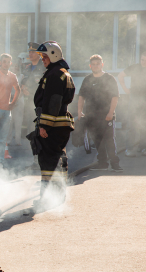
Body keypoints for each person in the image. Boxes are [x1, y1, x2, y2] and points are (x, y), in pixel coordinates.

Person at [31, 41, 75, 208]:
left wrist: (45, 126)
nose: (42, 59)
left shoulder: (55, 75)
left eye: (44, 56)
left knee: (48, 160)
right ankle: (58, 196)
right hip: (61, 123)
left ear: (53, 55)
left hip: (54, 125)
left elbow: (53, 102)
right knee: (58, 158)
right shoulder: (61, 72)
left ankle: (47, 199)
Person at [78, 55, 121, 172]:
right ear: (90, 66)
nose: (96, 66)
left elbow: (115, 97)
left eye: (98, 64)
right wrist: (79, 111)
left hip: (106, 115)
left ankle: (115, 164)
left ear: (102, 65)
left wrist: (111, 113)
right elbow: (81, 96)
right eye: (93, 64)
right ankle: (102, 163)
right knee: (97, 140)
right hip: (91, 116)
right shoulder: (87, 79)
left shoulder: (109, 78)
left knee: (109, 140)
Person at [22, 42, 46, 168]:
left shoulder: (44, 67)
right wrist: (23, 88)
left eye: (32, 52)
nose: (30, 54)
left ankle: (47, 158)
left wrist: (30, 91)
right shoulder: (27, 68)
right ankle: (36, 159)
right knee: (32, 132)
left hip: (41, 104)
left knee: (43, 131)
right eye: (29, 52)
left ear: (39, 53)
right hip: (29, 105)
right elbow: (23, 82)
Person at [118, 51, 146, 157]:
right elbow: (120, 75)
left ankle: (143, 148)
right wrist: (125, 89)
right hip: (134, 99)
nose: (144, 62)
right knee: (131, 124)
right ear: (140, 59)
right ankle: (129, 149)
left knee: (144, 124)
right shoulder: (134, 67)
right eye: (143, 60)